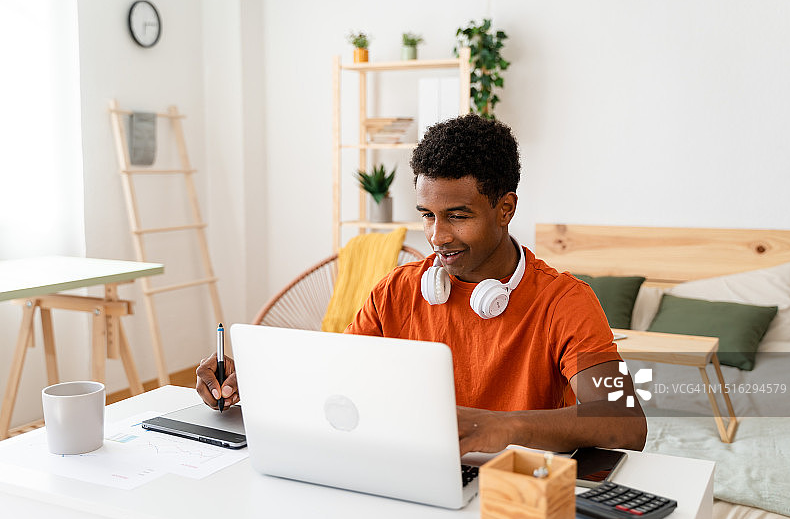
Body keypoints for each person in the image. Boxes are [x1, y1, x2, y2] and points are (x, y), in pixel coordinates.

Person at [197, 114, 647, 454]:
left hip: (511, 487)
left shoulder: (565, 301)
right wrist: (249, 383)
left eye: (458, 215)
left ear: (506, 209)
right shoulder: (396, 291)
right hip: (409, 470)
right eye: (427, 216)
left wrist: (506, 426)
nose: (437, 237)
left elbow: (625, 422)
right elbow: (337, 379)